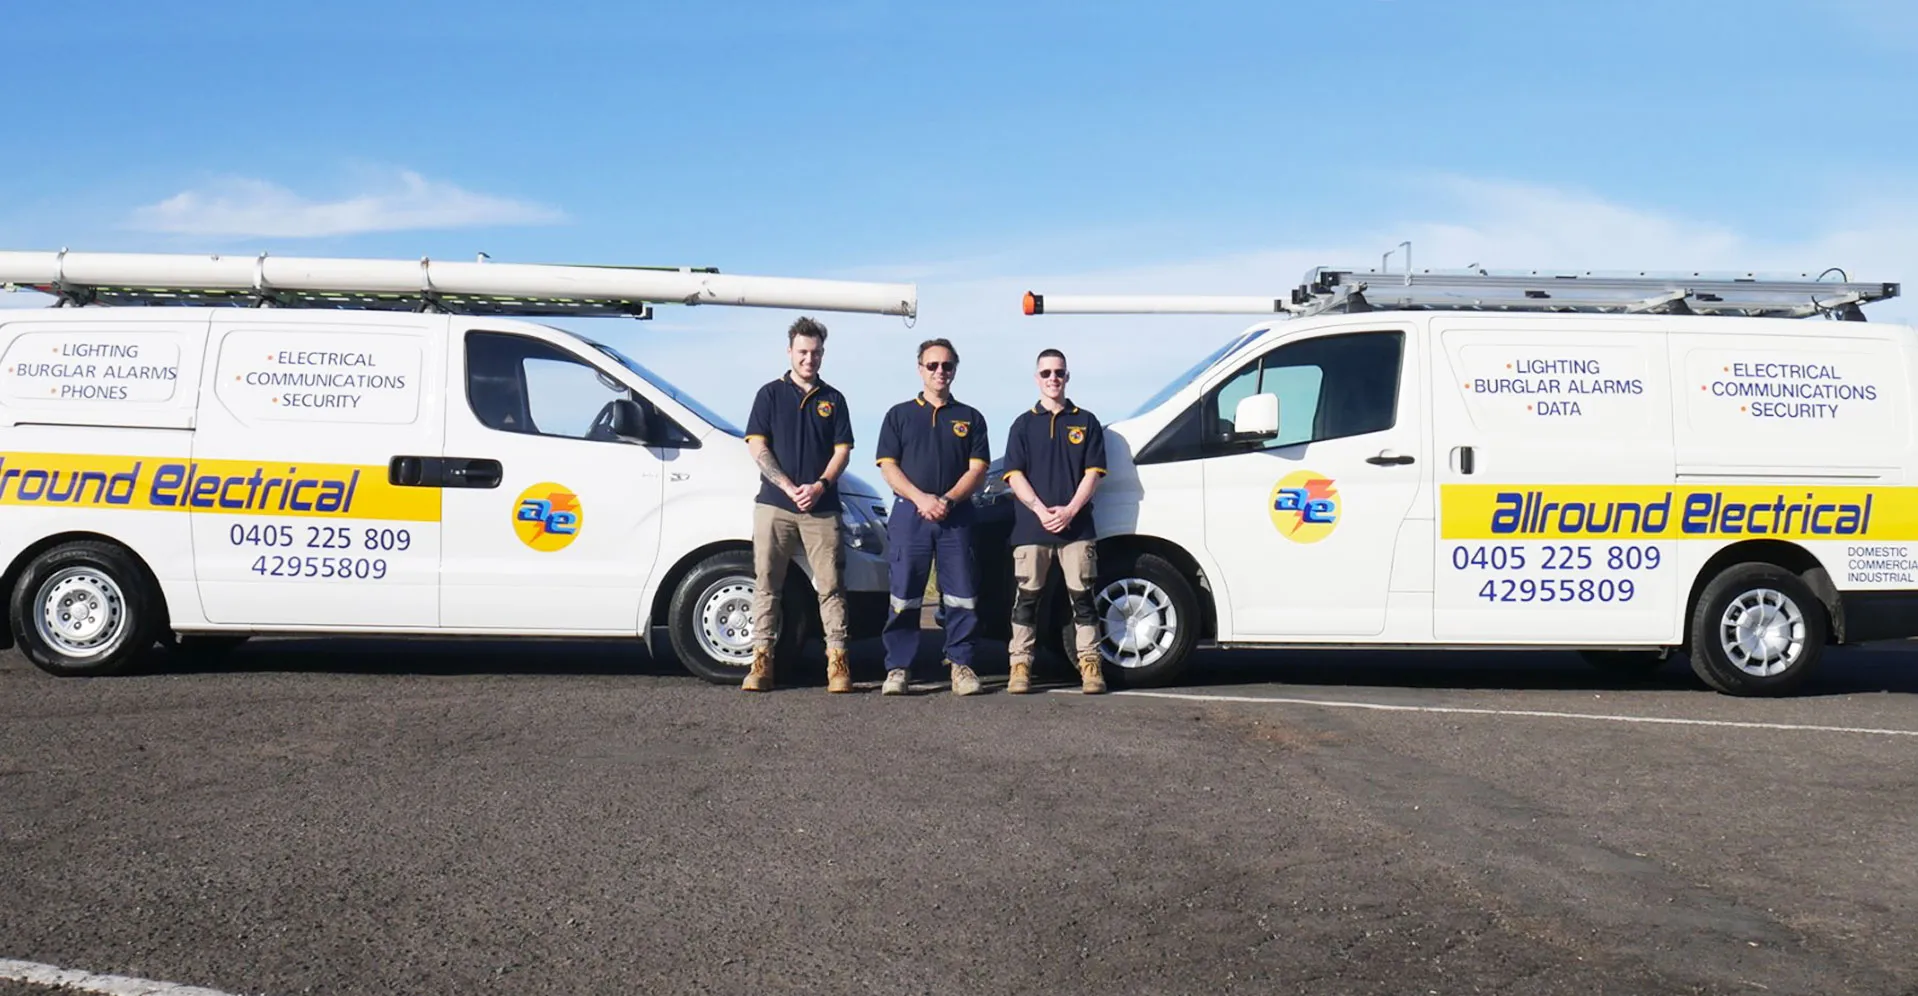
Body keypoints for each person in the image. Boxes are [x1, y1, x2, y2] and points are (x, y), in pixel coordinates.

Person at [741, 316, 855, 693]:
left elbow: (842, 451)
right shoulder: (769, 395)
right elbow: (757, 445)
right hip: (775, 505)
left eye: (816, 352)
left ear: (823, 354)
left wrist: (820, 486)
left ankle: (837, 663)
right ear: (789, 351)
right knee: (766, 583)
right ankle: (762, 661)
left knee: (831, 587)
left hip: (822, 508)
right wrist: (788, 487)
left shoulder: (834, 399)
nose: (809, 359)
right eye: (803, 352)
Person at [874, 338, 990, 696]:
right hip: (910, 515)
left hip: (957, 516)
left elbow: (977, 470)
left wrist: (948, 500)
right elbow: (888, 467)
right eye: (932, 365)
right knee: (904, 593)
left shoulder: (970, 417)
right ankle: (898, 667)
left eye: (947, 365)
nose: (940, 371)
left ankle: (961, 664)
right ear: (919, 369)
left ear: (955, 369)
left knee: (962, 594)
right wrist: (921, 498)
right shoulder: (899, 415)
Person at [1000, 348, 1108, 694]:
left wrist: (1070, 510)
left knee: (1083, 599)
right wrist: (1040, 510)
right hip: (1032, 528)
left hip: (1077, 528)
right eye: (1046, 373)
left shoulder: (1086, 421)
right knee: (1027, 600)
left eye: (1059, 372)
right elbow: (1014, 474)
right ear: (1037, 378)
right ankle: (1020, 665)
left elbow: (1093, 473)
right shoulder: (1022, 424)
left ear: (1067, 376)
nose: (1053, 379)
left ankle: (1090, 664)